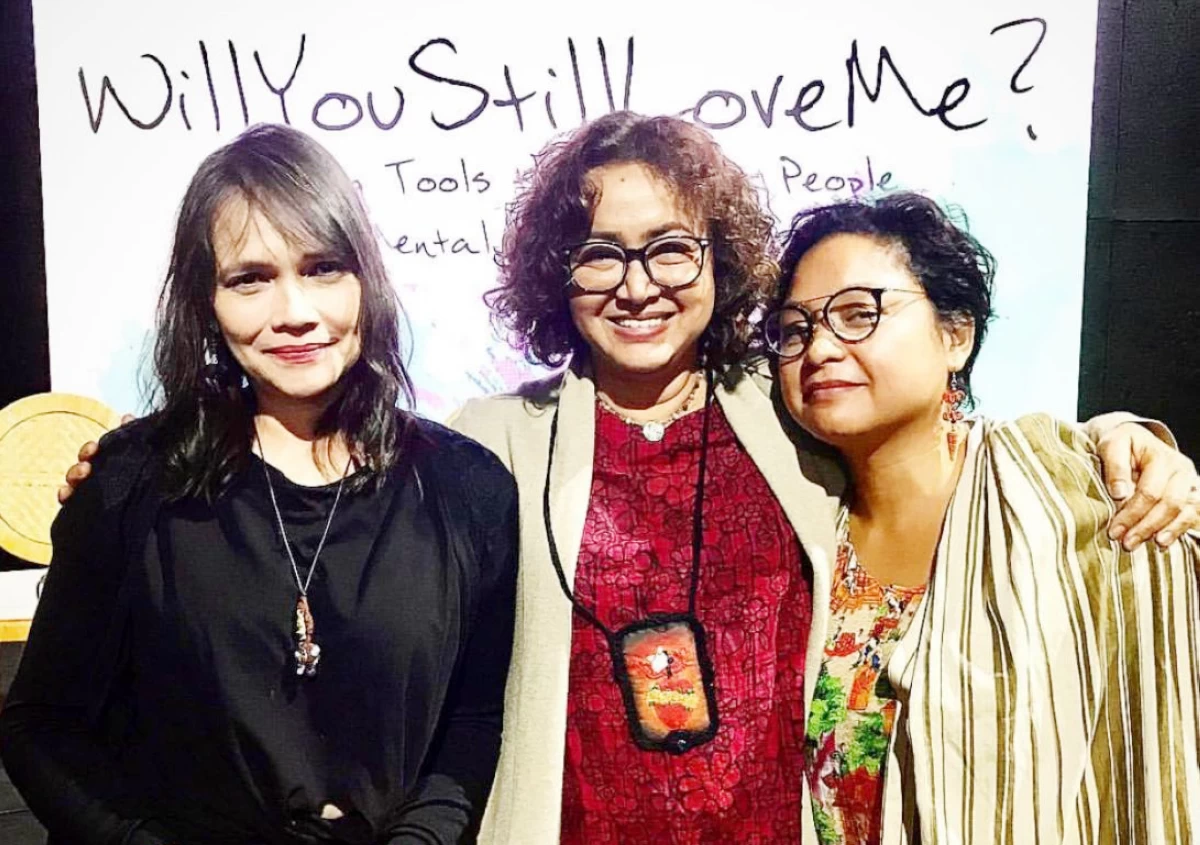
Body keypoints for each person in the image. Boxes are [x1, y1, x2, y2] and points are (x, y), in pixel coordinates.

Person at [56, 113, 1199, 845]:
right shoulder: (488, 440)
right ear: (559, 273)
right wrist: (120, 466)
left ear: (718, 264)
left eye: (672, 248)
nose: (637, 281)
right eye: (600, 250)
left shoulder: (791, 408)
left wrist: (1120, 434)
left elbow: (943, 439)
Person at [0, 124, 518, 845]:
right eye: (250, 278)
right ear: (205, 300)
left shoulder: (469, 488)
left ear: (364, 279)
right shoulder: (131, 480)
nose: (295, 312)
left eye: (323, 268)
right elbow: (41, 724)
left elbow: (472, 720)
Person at [763, 191, 1200, 844]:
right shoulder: (793, 526)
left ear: (955, 334)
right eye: (796, 329)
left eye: (859, 314)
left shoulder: (1072, 495)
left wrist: (1142, 447)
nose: (821, 347)